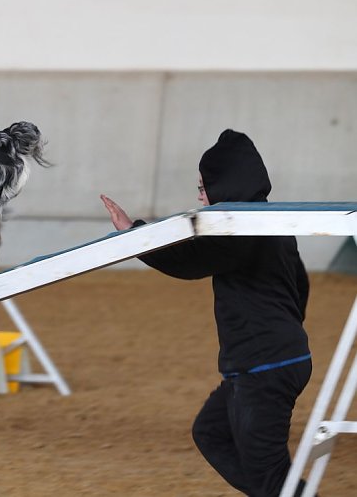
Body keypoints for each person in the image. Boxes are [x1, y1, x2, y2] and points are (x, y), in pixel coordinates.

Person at [101, 129, 313, 497]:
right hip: (271, 360)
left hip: (264, 366)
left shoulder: (242, 228)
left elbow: (192, 261)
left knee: (268, 473)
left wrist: (134, 235)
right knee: (211, 433)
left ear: (226, 183)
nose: (199, 195)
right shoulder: (274, 223)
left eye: (203, 186)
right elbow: (301, 286)